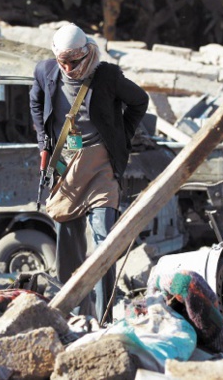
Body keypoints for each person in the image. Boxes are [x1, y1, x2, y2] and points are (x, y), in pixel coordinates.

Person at [30, 23, 148, 322]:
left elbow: (139, 101)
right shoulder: (45, 72)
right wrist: (44, 142)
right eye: (63, 62)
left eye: (75, 62)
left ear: (87, 53)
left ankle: (103, 315)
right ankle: (71, 314)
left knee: (104, 239)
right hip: (66, 163)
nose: (69, 68)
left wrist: (122, 135)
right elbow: (35, 102)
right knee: (68, 242)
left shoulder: (107, 75)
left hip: (100, 165)